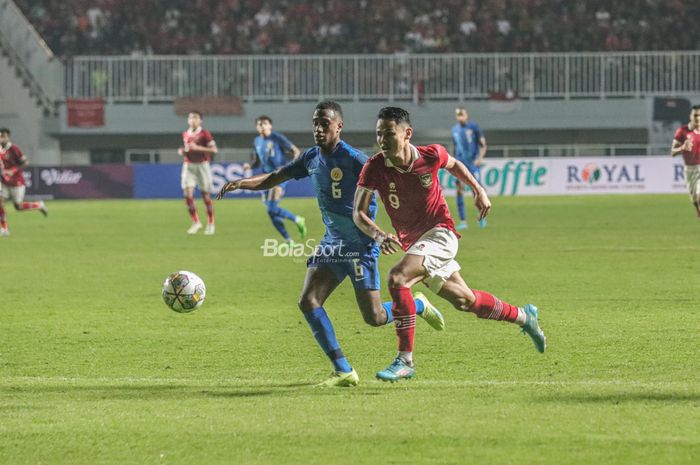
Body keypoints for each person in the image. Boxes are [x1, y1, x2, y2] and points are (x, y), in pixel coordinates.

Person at [218, 101, 445, 387]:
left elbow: (390, 188)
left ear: (339, 126)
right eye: (315, 122)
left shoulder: (356, 160)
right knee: (308, 301)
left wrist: (382, 232)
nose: (318, 128)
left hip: (360, 247)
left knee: (374, 318)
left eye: (324, 123)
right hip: (332, 243)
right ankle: (343, 370)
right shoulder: (311, 158)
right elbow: (276, 177)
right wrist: (242, 183)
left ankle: (417, 305)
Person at [353, 107, 546, 383]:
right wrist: (378, 234)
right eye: (378, 133)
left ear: (407, 134)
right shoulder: (374, 167)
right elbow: (357, 213)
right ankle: (524, 317)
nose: (382, 140)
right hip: (416, 244)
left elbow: (454, 164)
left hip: (440, 234)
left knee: (397, 278)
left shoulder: (430, 154)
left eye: (389, 133)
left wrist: (478, 190)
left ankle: (405, 360)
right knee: (467, 302)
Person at [248, 115, 307, 242]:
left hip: (280, 176)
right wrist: (250, 165)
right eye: (259, 124)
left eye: (264, 123)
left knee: (271, 208)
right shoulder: (257, 141)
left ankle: (297, 219)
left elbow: (295, 150)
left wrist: (292, 165)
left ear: (270, 125)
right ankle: (289, 241)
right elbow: (257, 161)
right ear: (257, 127)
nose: (262, 126)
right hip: (265, 178)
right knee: (271, 211)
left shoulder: (276, 138)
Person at [0, 128, 48, 236]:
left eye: (3, 136)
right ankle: (4, 228)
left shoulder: (14, 149)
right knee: (0, 203)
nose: (1, 138)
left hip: (17, 182)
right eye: (0, 136)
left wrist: (13, 170)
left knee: (18, 207)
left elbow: (25, 162)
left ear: (8, 137)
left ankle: (38, 205)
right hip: (4, 182)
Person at [178, 111, 217, 235]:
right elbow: (187, 148)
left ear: (200, 120)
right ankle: (196, 222)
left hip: (202, 166)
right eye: (190, 118)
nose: (192, 120)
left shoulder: (205, 134)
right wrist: (182, 151)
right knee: (187, 195)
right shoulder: (185, 134)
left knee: (206, 196)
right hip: (188, 166)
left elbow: (214, 150)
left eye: (195, 118)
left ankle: (211, 223)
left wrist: (198, 148)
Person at [451, 107, 487, 229]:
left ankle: (481, 217)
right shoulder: (454, 130)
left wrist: (480, 159)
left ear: (466, 115)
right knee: (459, 190)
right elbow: (455, 148)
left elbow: (483, 145)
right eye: (458, 115)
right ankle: (463, 221)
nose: (460, 117)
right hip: (460, 165)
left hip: (472, 164)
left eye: (462, 114)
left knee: (476, 190)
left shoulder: (474, 127)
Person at [671, 105, 700, 218]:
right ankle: (697, 207)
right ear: (690, 117)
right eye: (695, 115)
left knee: (699, 195)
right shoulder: (682, 131)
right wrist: (682, 148)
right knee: (694, 198)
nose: (698, 118)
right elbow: (672, 152)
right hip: (689, 170)